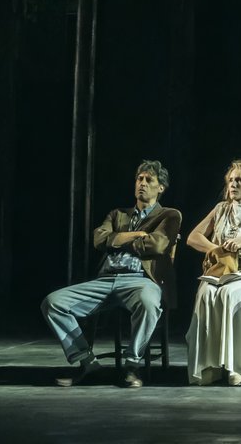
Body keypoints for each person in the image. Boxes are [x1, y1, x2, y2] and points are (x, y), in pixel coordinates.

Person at [41, 160, 182, 388]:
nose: (142, 184)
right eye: (139, 179)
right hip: (106, 279)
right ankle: (88, 363)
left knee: (148, 303)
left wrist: (117, 240)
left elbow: (156, 246)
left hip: (141, 281)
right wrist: (137, 235)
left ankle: (131, 366)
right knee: (53, 302)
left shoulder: (169, 215)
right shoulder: (117, 214)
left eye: (149, 180)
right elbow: (99, 238)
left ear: (161, 188)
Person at [184, 160, 241, 385]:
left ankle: (239, 364)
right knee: (206, 292)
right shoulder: (220, 210)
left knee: (231, 294)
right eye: (230, 180)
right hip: (222, 272)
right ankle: (211, 364)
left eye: (239, 180)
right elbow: (192, 237)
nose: (233, 185)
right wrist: (216, 248)